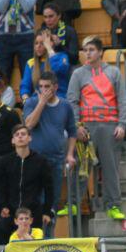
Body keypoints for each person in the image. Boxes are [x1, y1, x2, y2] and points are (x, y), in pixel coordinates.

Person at [67, 36, 126, 220]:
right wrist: (76, 126)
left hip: (110, 126)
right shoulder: (78, 74)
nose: (88, 53)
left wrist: (122, 124)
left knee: (110, 168)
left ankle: (113, 205)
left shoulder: (114, 72)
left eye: (91, 49)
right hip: (86, 127)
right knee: (81, 167)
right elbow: (72, 101)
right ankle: (73, 205)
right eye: (85, 50)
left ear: (100, 52)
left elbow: (123, 100)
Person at [24, 73, 77, 212]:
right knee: (36, 202)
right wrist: (41, 103)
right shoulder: (31, 102)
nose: (44, 90)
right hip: (35, 159)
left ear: (56, 87)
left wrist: (70, 154)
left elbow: (72, 131)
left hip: (56, 159)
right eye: (41, 86)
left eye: (47, 86)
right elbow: (29, 124)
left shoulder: (65, 105)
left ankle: (50, 233)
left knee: (52, 202)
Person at [0, 0, 38, 83]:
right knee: (3, 75)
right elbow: (1, 8)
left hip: (26, 36)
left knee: (28, 74)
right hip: (4, 36)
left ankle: (28, 96)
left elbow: (27, 6)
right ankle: (4, 97)